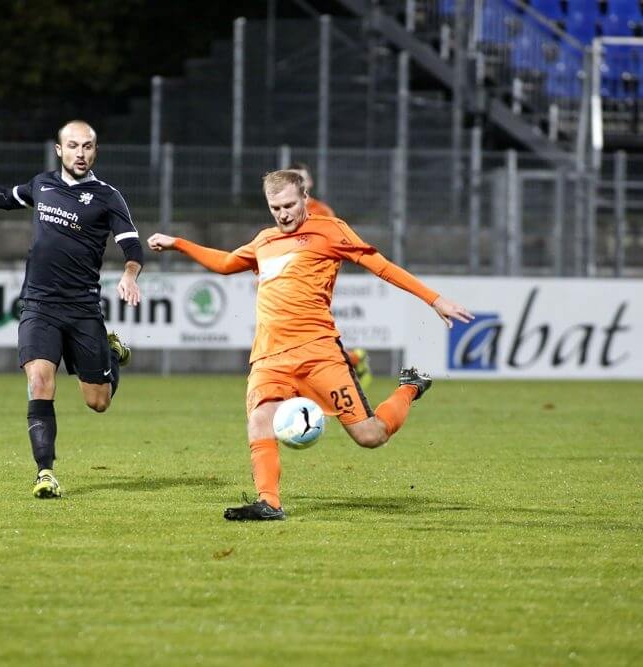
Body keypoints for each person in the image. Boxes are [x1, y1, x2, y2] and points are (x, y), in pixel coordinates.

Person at [148, 170, 473, 521]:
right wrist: (178, 243)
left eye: (289, 205)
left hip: (318, 354)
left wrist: (434, 299)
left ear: (305, 199)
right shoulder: (264, 241)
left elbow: (381, 267)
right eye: (275, 208)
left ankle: (410, 386)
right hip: (269, 357)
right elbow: (226, 263)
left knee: (370, 435)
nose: (283, 214)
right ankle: (269, 503)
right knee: (260, 420)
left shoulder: (329, 230)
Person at [0, 120, 143, 499]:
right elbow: (2, 196)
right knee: (39, 381)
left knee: (98, 402)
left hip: (83, 309)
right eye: (73, 146)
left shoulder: (107, 196)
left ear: (95, 150)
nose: (80, 153)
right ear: (59, 150)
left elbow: (132, 246)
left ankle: (109, 352)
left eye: (87, 146)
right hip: (39, 305)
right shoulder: (42, 184)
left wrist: (130, 274)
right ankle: (45, 472)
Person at [287, 161, 372, 387]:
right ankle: (353, 360)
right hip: (290, 284)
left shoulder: (322, 212)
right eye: (291, 178)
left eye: (300, 178)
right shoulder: (285, 211)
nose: (296, 183)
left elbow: (331, 248)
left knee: (309, 337)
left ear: (310, 182)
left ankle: (348, 363)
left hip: (313, 284)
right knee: (306, 339)